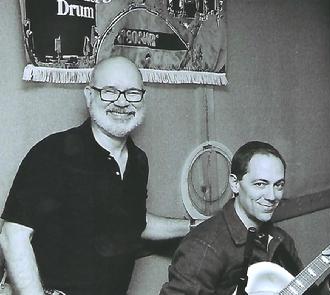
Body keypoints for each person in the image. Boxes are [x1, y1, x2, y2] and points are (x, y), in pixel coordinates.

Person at [0, 56, 191, 295]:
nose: (122, 103)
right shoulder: (52, 153)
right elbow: (13, 236)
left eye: (132, 93)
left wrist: (194, 226)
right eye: (110, 92)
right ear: (89, 96)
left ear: (143, 98)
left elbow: (134, 222)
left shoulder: (138, 161)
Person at [160, 141, 330, 295]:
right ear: (235, 184)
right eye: (260, 184)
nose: (271, 196)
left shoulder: (281, 241)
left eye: (278, 185)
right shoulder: (204, 246)